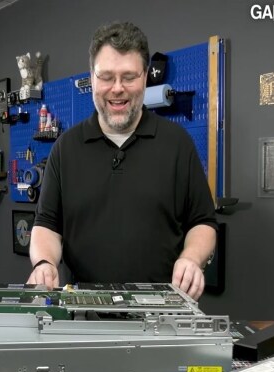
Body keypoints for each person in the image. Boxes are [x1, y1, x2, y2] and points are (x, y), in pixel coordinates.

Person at [27, 22, 216, 300]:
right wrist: (44, 263)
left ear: (145, 77)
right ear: (92, 79)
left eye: (129, 77)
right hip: (85, 309)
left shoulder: (177, 144)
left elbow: (203, 222)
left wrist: (191, 257)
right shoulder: (65, 149)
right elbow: (47, 225)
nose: (117, 89)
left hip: (161, 310)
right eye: (106, 77)